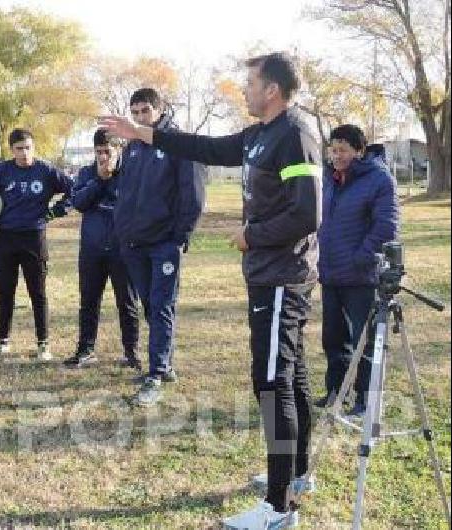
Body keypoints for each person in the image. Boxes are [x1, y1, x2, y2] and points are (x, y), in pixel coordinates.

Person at [100, 51, 320, 528]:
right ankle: (298, 475)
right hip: (267, 274)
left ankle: (279, 508)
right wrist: (143, 133)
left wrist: (251, 236)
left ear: (273, 90)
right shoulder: (259, 136)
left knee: (273, 383)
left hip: (282, 275)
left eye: (251, 82)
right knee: (292, 375)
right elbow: (205, 147)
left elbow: (307, 213)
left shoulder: (295, 135)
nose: (244, 89)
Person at [112, 88, 205, 407]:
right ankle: (163, 364)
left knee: (162, 304)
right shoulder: (133, 146)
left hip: (164, 243)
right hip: (133, 243)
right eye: (135, 112)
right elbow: (124, 192)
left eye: (145, 112)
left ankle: (156, 373)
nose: (139, 118)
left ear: (159, 110)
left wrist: (179, 236)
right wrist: (122, 231)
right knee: (150, 306)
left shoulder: (179, 144)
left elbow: (192, 194)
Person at [0, 128, 73, 360]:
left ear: (34, 147)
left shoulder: (47, 171)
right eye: (19, 149)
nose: (24, 153)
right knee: (4, 292)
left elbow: (76, 190)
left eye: (28, 147)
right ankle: (2, 343)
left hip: (34, 238)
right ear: (12, 150)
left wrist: (57, 211)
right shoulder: (1, 171)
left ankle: (43, 345)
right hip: (5, 239)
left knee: (37, 293)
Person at [316, 124, 400, 417]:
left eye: (343, 150)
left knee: (364, 340)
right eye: (333, 149)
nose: (336, 156)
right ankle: (336, 392)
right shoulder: (328, 177)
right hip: (330, 273)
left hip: (361, 275)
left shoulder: (379, 179)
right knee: (333, 339)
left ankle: (367, 400)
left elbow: (386, 227)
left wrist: (361, 258)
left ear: (359, 151)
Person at [62, 129, 140, 369]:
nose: (103, 157)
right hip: (92, 249)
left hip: (122, 249)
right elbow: (79, 203)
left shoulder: (130, 173)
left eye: (107, 152)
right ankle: (85, 349)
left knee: (127, 302)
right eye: (98, 152)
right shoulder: (87, 172)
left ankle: (131, 352)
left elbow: (137, 206)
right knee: (88, 301)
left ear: (119, 150)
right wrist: (99, 180)